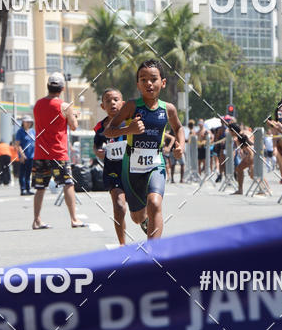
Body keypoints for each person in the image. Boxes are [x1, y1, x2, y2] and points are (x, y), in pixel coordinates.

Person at [104, 59, 185, 240]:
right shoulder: (131, 106)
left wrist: (181, 146)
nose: (148, 83)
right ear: (138, 84)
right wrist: (128, 130)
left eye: (153, 79)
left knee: (155, 204)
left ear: (162, 83)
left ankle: (152, 254)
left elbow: (179, 128)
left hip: (156, 162)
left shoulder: (168, 109)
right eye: (143, 79)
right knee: (137, 217)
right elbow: (108, 131)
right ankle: (146, 223)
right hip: (131, 166)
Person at [31, 71, 86, 229]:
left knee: (40, 187)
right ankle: (74, 218)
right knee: (68, 184)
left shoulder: (38, 105)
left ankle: (36, 220)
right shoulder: (65, 106)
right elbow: (73, 126)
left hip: (40, 152)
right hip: (58, 153)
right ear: (62, 88)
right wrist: (74, 114)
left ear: (48, 87)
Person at [93, 88, 128, 245]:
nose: (112, 103)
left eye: (115, 99)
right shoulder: (100, 128)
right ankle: (122, 245)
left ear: (123, 103)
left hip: (134, 169)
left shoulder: (132, 121)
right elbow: (97, 146)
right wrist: (98, 152)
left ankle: (143, 218)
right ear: (103, 106)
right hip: (113, 170)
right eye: (108, 101)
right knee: (119, 206)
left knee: (138, 213)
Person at [15, 115, 35, 195]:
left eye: (30, 122)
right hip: (24, 156)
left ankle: (28, 189)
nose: (28, 123)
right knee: (22, 173)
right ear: (23, 122)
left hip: (31, 156)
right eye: (27, 122)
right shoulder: (20, 132)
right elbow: (17, 144)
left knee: (28, 173)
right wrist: (22, 155)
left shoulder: (33, 131)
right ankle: (22, 189)